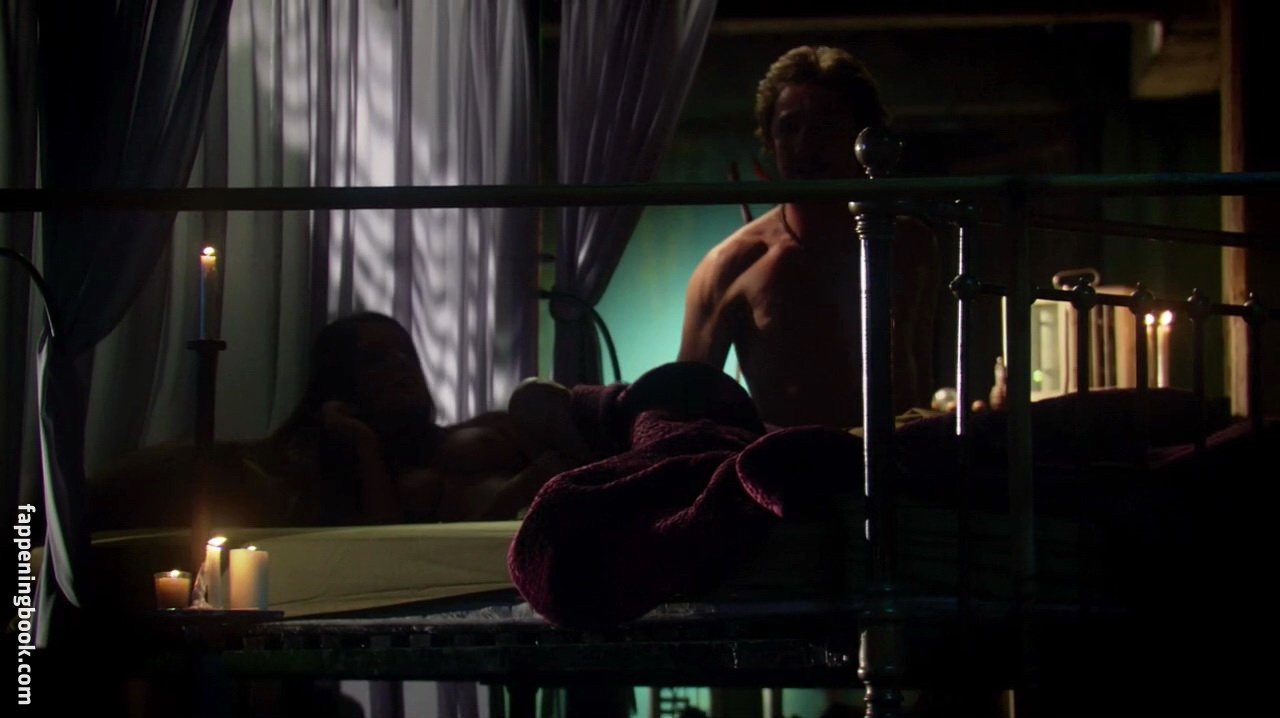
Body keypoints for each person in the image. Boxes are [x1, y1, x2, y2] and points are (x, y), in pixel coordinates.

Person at [678, 45, 939, 428]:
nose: (805, 146)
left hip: (900, 457)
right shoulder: (731, 265)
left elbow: (920, 377)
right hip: (790, 462)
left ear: (863, 136)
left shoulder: (910, 246)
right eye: (789, 127)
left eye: (826, 126)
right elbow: (685, 414)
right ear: (770, 141)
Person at [257, 312, 570, 525]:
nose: (400, 362)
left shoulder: (482, 430)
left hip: (572, 500)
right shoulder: (368, 475)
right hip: (509, 545)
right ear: (343, 380)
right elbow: (384, 546)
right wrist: (364, 443)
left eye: (406, 352)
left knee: (531, 396)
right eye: (375, 359)